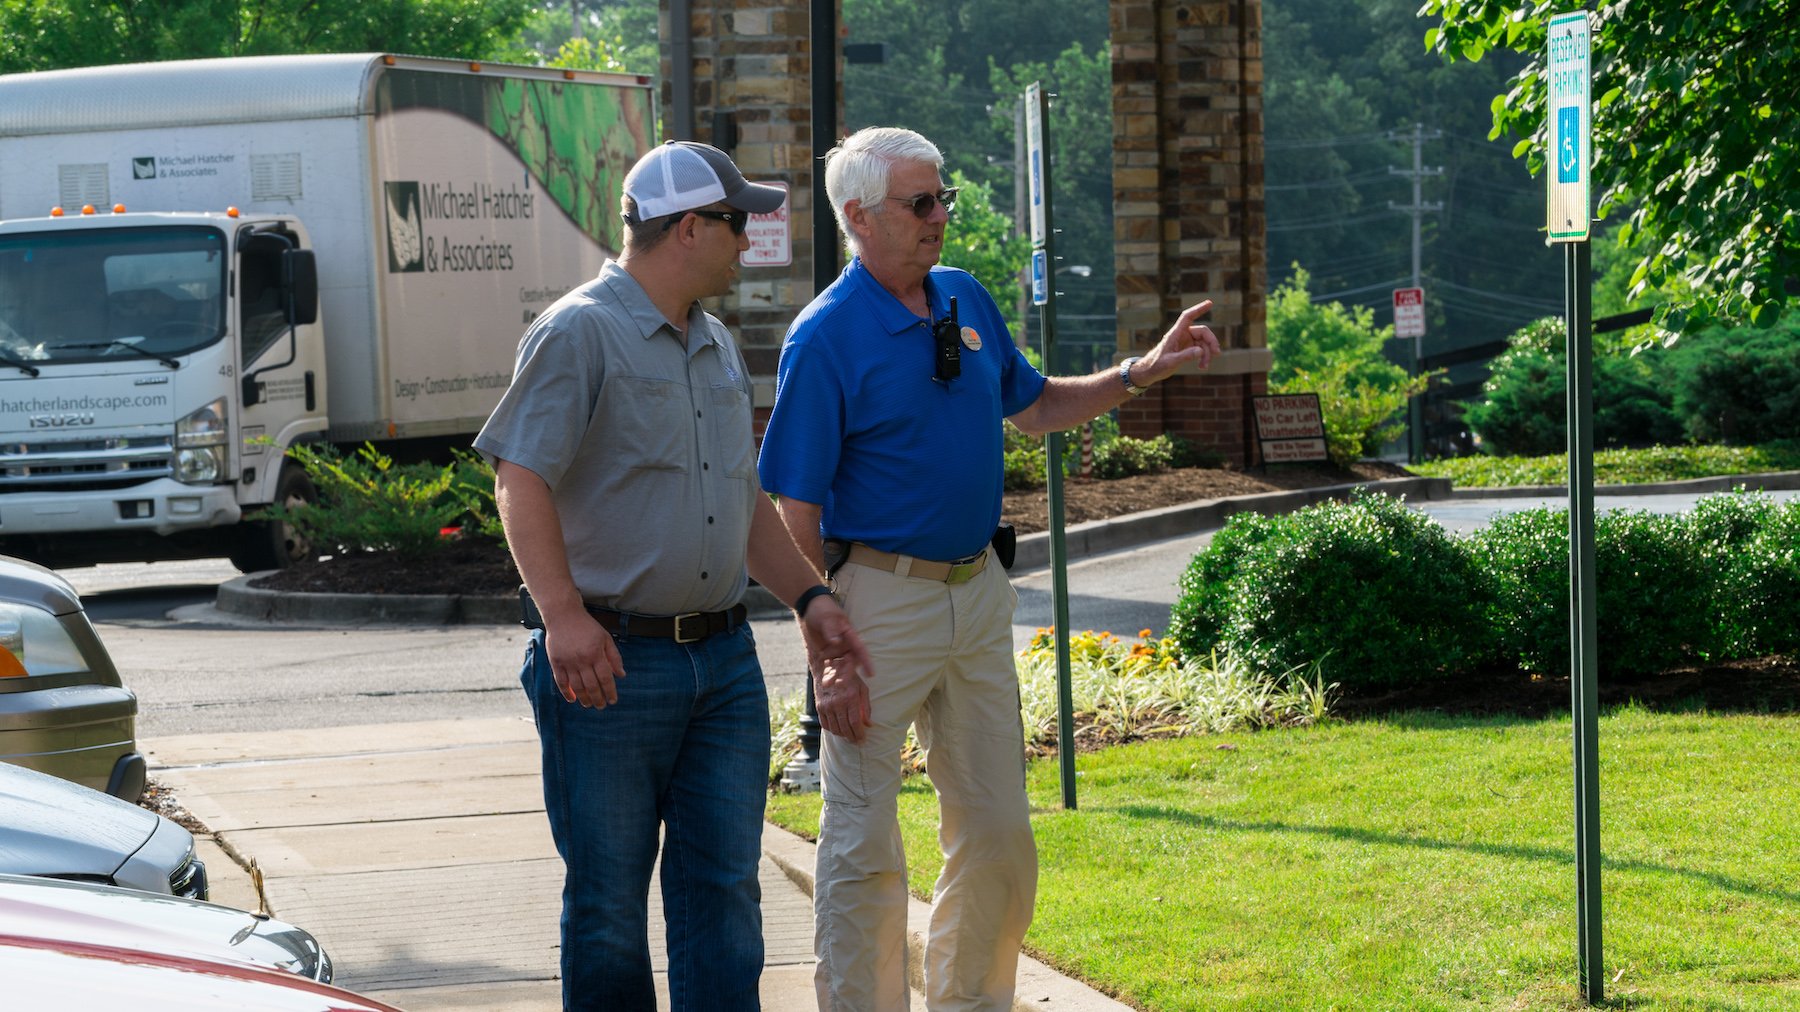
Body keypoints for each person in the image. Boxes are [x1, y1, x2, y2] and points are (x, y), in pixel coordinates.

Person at [757, 126, 1220, 1010]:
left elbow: (1037, 404)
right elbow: (795, 512)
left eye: (944, 199)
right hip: (875, 605)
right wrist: (825, 647)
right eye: (919, 202)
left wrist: (1139, 371)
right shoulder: (823, 338)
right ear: (858, 216)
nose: (939, 218)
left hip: (977, 595)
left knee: (1001, 832)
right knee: (863, 842)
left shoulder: (963, 297)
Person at [474, 139, 873, 1012]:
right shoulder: (580, 330)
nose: (747, 241)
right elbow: (519, 476)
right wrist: (563, 618)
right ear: (689, 227)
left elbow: (742, 501)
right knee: (610, 908)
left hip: (723, 668)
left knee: (725, 895)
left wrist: (810, 597)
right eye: (737, 224)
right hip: (609, 669)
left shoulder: (718, 342)